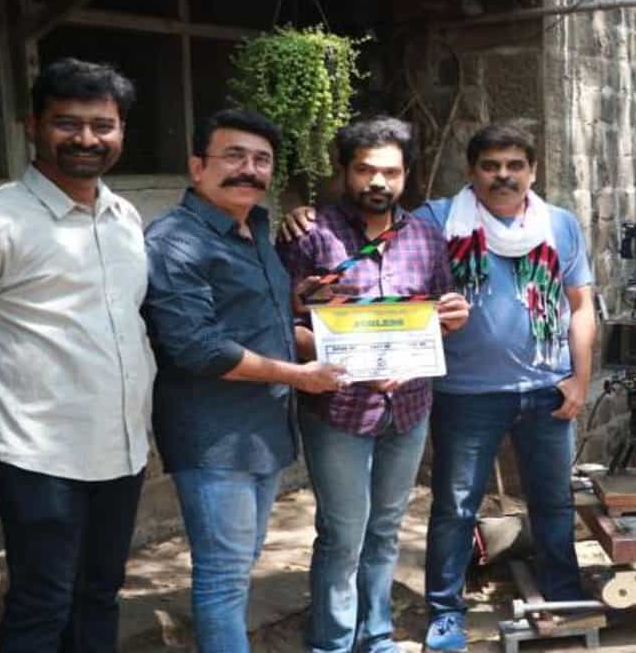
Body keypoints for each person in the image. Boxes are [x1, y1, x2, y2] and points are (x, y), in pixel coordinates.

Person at [279, 123, 596, 653]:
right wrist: (298, 212)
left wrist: (580, 378)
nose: (503, 175)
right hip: (457, 394)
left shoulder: (556, 225)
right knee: (446, 507)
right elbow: (295, 304)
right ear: (470, 172)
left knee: (553, 501)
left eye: (515, 165)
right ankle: (443, 611)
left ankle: (563, 598)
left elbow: (579, 306)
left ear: (534, 171)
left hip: (542, 388)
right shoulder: (436, 221)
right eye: (490, 165)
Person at [0, 58, 154, 651]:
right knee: (43, 602)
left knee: (100, 592)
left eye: (103, 125)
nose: (86, 139)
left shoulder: (123, 218)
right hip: (35, 449)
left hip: (120, 444)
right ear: (33, 125)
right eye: (67, 123)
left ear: (121, 131)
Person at [142, 109, 345, 652]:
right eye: (233, 156)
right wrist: (299, 376)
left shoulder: (253, 228)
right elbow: (199, 347)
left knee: (241, 562)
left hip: (263, 431)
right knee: (223, 576)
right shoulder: (174, 241)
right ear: (197, 167)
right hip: (214, 435)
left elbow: (261, 318)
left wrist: (310, 313)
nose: (249, 170)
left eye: (261, 160)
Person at [276, 116, 469, 653]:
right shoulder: (309, 234)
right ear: (344, 171)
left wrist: (451, 320)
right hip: (337, 407)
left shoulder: (425, 237)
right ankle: (332, 643)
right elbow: (280, 324)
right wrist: (335, 352)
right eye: (365, 170)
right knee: (343, 534)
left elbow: (436, 315)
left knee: (386, 528)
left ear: (407, 175)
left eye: (391, 172)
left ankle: (377, 636)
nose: (378, 182)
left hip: (408, 406)